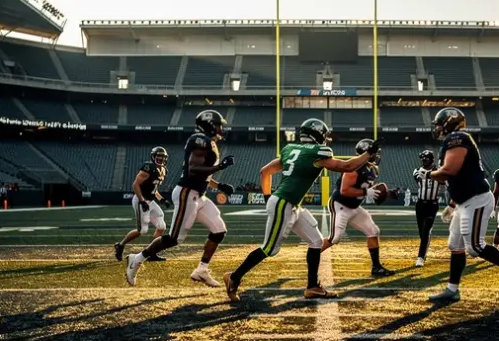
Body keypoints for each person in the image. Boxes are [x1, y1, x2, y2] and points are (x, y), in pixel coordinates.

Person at [223, 118, 381, 302]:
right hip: (284, 203)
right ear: (319, 135)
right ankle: (234, 277)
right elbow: (347, 166)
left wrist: (268, 198)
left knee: (316, 241)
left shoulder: (290, 149)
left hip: (290, 203)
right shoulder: (318, 152)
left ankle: (312, 287)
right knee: (269, 249)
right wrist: (368, 153)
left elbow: (264, 172)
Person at [424, 107, 499, 302]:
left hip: (477, 199)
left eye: (439, 124)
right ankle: (452, 289)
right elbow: (459, 178)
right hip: (464, 201)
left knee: (475, 247)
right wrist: (453, 205)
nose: (436, 128)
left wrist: (428, 174)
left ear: (449, 123)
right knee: (455, 245)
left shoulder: (457, 138)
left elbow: (449, 171)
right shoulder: (454, 140)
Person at [124, 110, 235, 287]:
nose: (221, 128)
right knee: (174, 238)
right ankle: (137, 259)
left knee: (219, 230)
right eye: (218, 124)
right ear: (209, 125)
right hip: (187, 192)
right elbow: (193, 169)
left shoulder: (209, 143)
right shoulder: (200, 141)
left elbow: (203, 175)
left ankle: (201, 270)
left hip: (199, 195)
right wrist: (220, 167)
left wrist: (219, 186)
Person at [322, 138, 395, 276]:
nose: (376, 155)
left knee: (373, 231)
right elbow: (345, 190)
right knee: (335, 238)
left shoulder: (372, 168)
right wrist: (366, 192)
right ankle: (311, 256)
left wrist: (389, 193)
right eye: (373, 153)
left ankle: (376, 267)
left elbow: (365, 186)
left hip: (354, 207)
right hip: (341, 205)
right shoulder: (354, 168)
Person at [115, 146, 169, 262]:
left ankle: (152, 252)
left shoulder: (163, 170)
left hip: (150, 200)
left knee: (161, 226)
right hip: (141, 200)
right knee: (142, 230)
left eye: (162, 157)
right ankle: (120, 245)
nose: (160, 159)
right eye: (158, 156)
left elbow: (154, 190)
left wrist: (162, 200)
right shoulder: (148, 168)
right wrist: (142, 201)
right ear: (153, 156)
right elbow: (135, 185)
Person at [412, 150, 444, 267]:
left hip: (432, 205)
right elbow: (417, 177)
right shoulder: (417, 170)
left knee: (425, 231)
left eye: (425, 158)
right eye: (422, 159)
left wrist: (435, 174)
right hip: (420, 204)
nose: (423, 160)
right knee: (422, 232)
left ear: (431, 159)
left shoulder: (438, 172)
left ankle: (420, 257)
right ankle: (424, 251)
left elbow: (443, 181)